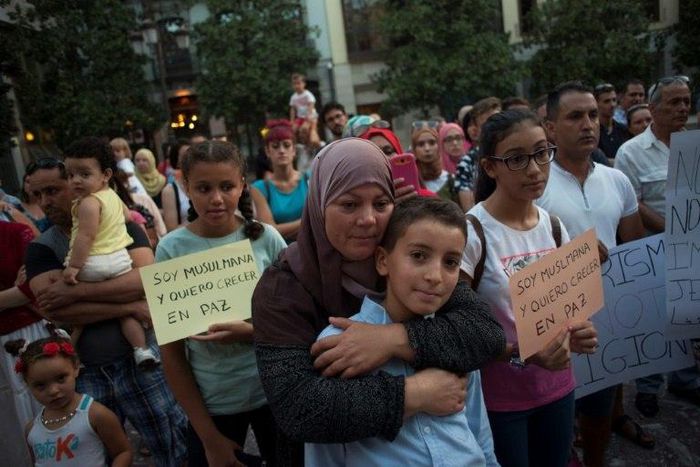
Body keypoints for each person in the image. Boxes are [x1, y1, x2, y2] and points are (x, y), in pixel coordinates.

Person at [252, 138, 506, 467]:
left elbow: (484, 334)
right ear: (318, 205)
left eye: (381, 203)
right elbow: (299, 407)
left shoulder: (411, 265)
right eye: (349, 205)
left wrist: (394, 339)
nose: (368, 219)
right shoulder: (281, 288)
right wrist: (413, 393)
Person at [306, 197, 498, 466]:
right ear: (383, 261)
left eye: (451, 262)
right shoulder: (340, 344)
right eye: (419, 256)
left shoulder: (459, 338)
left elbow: (480, 434)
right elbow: (325, 451)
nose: (435, 275)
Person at [24, 158, 188, 467]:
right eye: (38, 194)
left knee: (174, 446)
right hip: (82, 374)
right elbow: (57, 310)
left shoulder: (122, 226)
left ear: (75, 185)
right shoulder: (41, 248)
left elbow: (146, 282)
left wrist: (75, 293)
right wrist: (128, 305)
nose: (45, 201)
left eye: (53, 190)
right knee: (101, 457)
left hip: (143, 364)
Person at [461, 109, 598, 467]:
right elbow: (456, 331)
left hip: (558, 390)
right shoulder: (472, 234)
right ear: (490, 167)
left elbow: (566, 311)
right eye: (517, 159)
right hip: (500, 402)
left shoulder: (553, 227)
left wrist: (577, 333)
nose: (535, 169)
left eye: (541, 153)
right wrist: (522, 353)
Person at [538, 81, 651, 463]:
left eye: (591, 115)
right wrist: (571, 257)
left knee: (599, 414)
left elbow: (635, 253)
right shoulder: (534, 186)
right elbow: (521, 258)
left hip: (610, 323)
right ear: (550, 128)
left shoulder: (617, 180)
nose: (588, 124)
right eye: (574, 116)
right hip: (555, 325)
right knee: (555, 418)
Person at [157, 140, 286, 467]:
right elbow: (172, 354)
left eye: (227, 186)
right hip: (214, 405)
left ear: (242, 184)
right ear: (186, 187)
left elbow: (299, 323)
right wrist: (208, 438)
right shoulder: (171, 250)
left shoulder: (266, 239)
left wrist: (250, 332)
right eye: (203, 188)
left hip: (276, 393)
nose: (216, 198)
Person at [615, 75, 700, 416]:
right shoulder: (631, 152)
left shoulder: (694, 145)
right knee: (652, 318)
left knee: (685, 313)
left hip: (691, 245)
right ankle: (648, 388)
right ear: (652, 108)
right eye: (674, 102)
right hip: (653, 246)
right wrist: (672, 229)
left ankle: (686, 379)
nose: (683, 108)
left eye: (687, 101)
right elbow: (633, 204)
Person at [61, 138, 158, 369]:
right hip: (119, 261)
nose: (75, 180)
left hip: (91, 263)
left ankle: (73, 356)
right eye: (70, 174)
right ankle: (141, 350)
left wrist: (74, 266)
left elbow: (86, 237)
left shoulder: (88, 203)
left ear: (105, 174)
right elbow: (127, 217)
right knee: (126, 313)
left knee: (80, 316)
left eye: (84, 174)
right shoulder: (113, 196)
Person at [10, 335, 132, 466]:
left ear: (76, 368)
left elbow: (123, 452)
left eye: (61, 378)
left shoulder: (96, 415)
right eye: (40, 385)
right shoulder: (32, 429)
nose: (53, 391)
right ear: (27, 384)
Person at [0, 220, 49, 465]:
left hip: (27, 335)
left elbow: (34, 288)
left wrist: (21, 291)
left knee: (41, 403)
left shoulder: (16, 233)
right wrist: (13, 292)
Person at [250, 120, 310, 243]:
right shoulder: (259, 188)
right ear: (267, 151)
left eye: (287, 145)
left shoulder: (310, 179)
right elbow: (270, 231)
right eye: (275, 146)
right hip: (282, 256)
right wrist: (309, 220)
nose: (281, 150)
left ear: (294, 150)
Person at [455, 97, 502, 212]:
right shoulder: (466, 163)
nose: (498, 127)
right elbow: (470, 209)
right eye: (490, 123)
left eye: (500, 120)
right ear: (476, 130)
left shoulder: (516, 156)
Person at [412, 122, 458, 203]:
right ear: (414, 150)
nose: (427, 148)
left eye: (432, 143)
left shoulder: (451, 180)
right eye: (421, 144)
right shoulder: (411, 185)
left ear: (439, 146)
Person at [594, 83, 629, 161]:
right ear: (596, 103)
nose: (612, 104)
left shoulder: (623, 129)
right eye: (607, 101)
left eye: (614, 100)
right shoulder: (592, 130)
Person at [161, 142, 191, 232]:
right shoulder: (170, 190)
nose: (191, 159)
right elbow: (172, 230)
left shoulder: (209, 184)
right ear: (176, 161)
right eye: (185, 155)